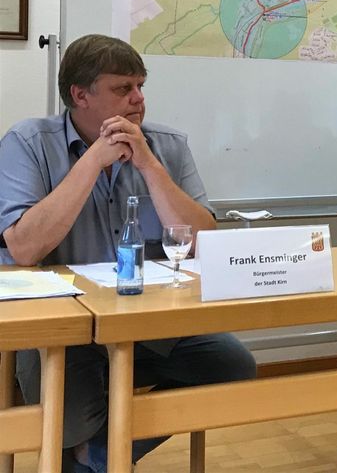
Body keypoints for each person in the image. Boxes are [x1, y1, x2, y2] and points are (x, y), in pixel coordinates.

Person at [0, 34, 256, 473]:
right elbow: (23, 248)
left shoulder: (167, 145)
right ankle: (91, 452)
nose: (138, 99)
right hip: (64, 327)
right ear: (80, 95)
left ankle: (101, 455)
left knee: (233, 368)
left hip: (148, 320)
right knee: (67, 423)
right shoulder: (28, 142)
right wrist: (92, 161)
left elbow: (204, 242)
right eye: (123, 88)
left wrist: (149, 166)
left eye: (141, 85)